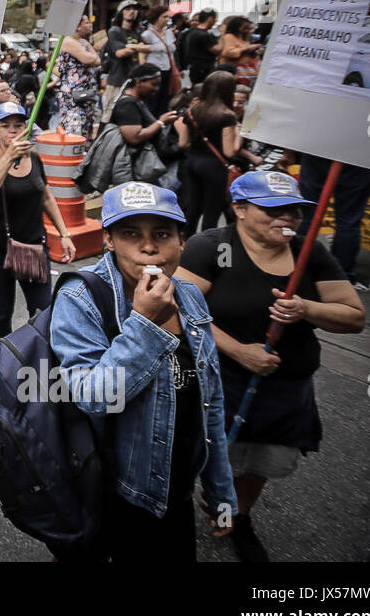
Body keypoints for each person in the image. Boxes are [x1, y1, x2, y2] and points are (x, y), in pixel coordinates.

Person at [177, 172, 364, 561]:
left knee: (259, 460)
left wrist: (307, 309)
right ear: (240, 209)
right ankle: (179, 512)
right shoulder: (210, 247)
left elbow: (353, 316)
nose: (288, 218)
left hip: (285, 388)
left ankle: (239, 515)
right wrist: (237, 351)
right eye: (273, 210)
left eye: (294, 210)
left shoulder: (310, 251)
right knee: (199, 453)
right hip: (219, 382)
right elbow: (176, 310)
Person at [50, 183, 237, 561]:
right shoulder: (79, 298)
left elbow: (210, 402)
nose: (148, 247)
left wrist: (220, 488)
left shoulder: (190, 296)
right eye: (131, 234)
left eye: (162, 234)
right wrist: (145, 324)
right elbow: (92, 396)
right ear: (109, 240)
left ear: (182, 242)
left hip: (176, 487)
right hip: (116, 491)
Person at [0, 103, 77, 340]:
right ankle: (0, 361)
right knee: (2, 311)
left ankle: (38, 357)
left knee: (42, 310)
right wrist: (8, 158)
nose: (13, 130)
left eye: (18, 125)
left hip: (33, 248)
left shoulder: (34, 158)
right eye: (6, 126)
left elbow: (47, 196)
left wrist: (64, 235)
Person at [174, 70, 243, 234]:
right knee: (212, 211)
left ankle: (186, 243)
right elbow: (230, 151)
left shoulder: (192, 111)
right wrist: (241, 134)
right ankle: (206, 245)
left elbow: (183, 143)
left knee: (194, 206)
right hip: (214, 166)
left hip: (192, 162)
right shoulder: (227, 116)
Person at [297, 157, 370, 289]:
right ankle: (341, 279)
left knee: (307, 214)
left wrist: (289, 152)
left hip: (318, 150)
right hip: (358, 158)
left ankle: (296, 267)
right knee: (348, 222)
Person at [111, 62, 179, 153]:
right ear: (138, 82)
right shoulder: (127, 105)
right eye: (153, 84)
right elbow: (134, 137)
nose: (157, 89)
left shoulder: (138, 101)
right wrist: (161, 122)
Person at [102, 0, 152, 122]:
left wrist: (131, 47)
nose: (132, 12)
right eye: (128, 9)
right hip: (117, 81)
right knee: (109, 115)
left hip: (133, 82)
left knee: (130, 116)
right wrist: (138, 47)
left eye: (134, 9)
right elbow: (120, 53)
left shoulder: (138, 32)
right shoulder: (115, 31)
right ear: (121, 12)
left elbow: (149, 48)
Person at [57, 13, 104, 142]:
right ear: (77, 26)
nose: (90, 24)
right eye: (86, 22)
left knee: (86, 128)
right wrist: (92, 55)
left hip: (87, 92)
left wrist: (92, 56)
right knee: (74, 129)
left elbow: (97, 60)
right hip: (73, 94)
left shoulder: (83, 42)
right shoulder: (68, 41)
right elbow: (88, 58)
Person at [141, 6, 179, 114]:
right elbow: (142, 56)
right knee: (153, 100)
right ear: (157, 18)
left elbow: (171, 51)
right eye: (164, 17)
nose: (167, 19)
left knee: (165, 99)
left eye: (168, 16)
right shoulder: (147, 34)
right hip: (154, 70)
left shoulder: (169, 33)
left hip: (168, 69)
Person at [181, 9, 220, 85]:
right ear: (210, 19)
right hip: (202, 70)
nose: (215, 21)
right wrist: (223, 34)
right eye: (214, 19)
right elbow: (217, 50)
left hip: (197, 68)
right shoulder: (202, 34)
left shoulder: (193, 33)